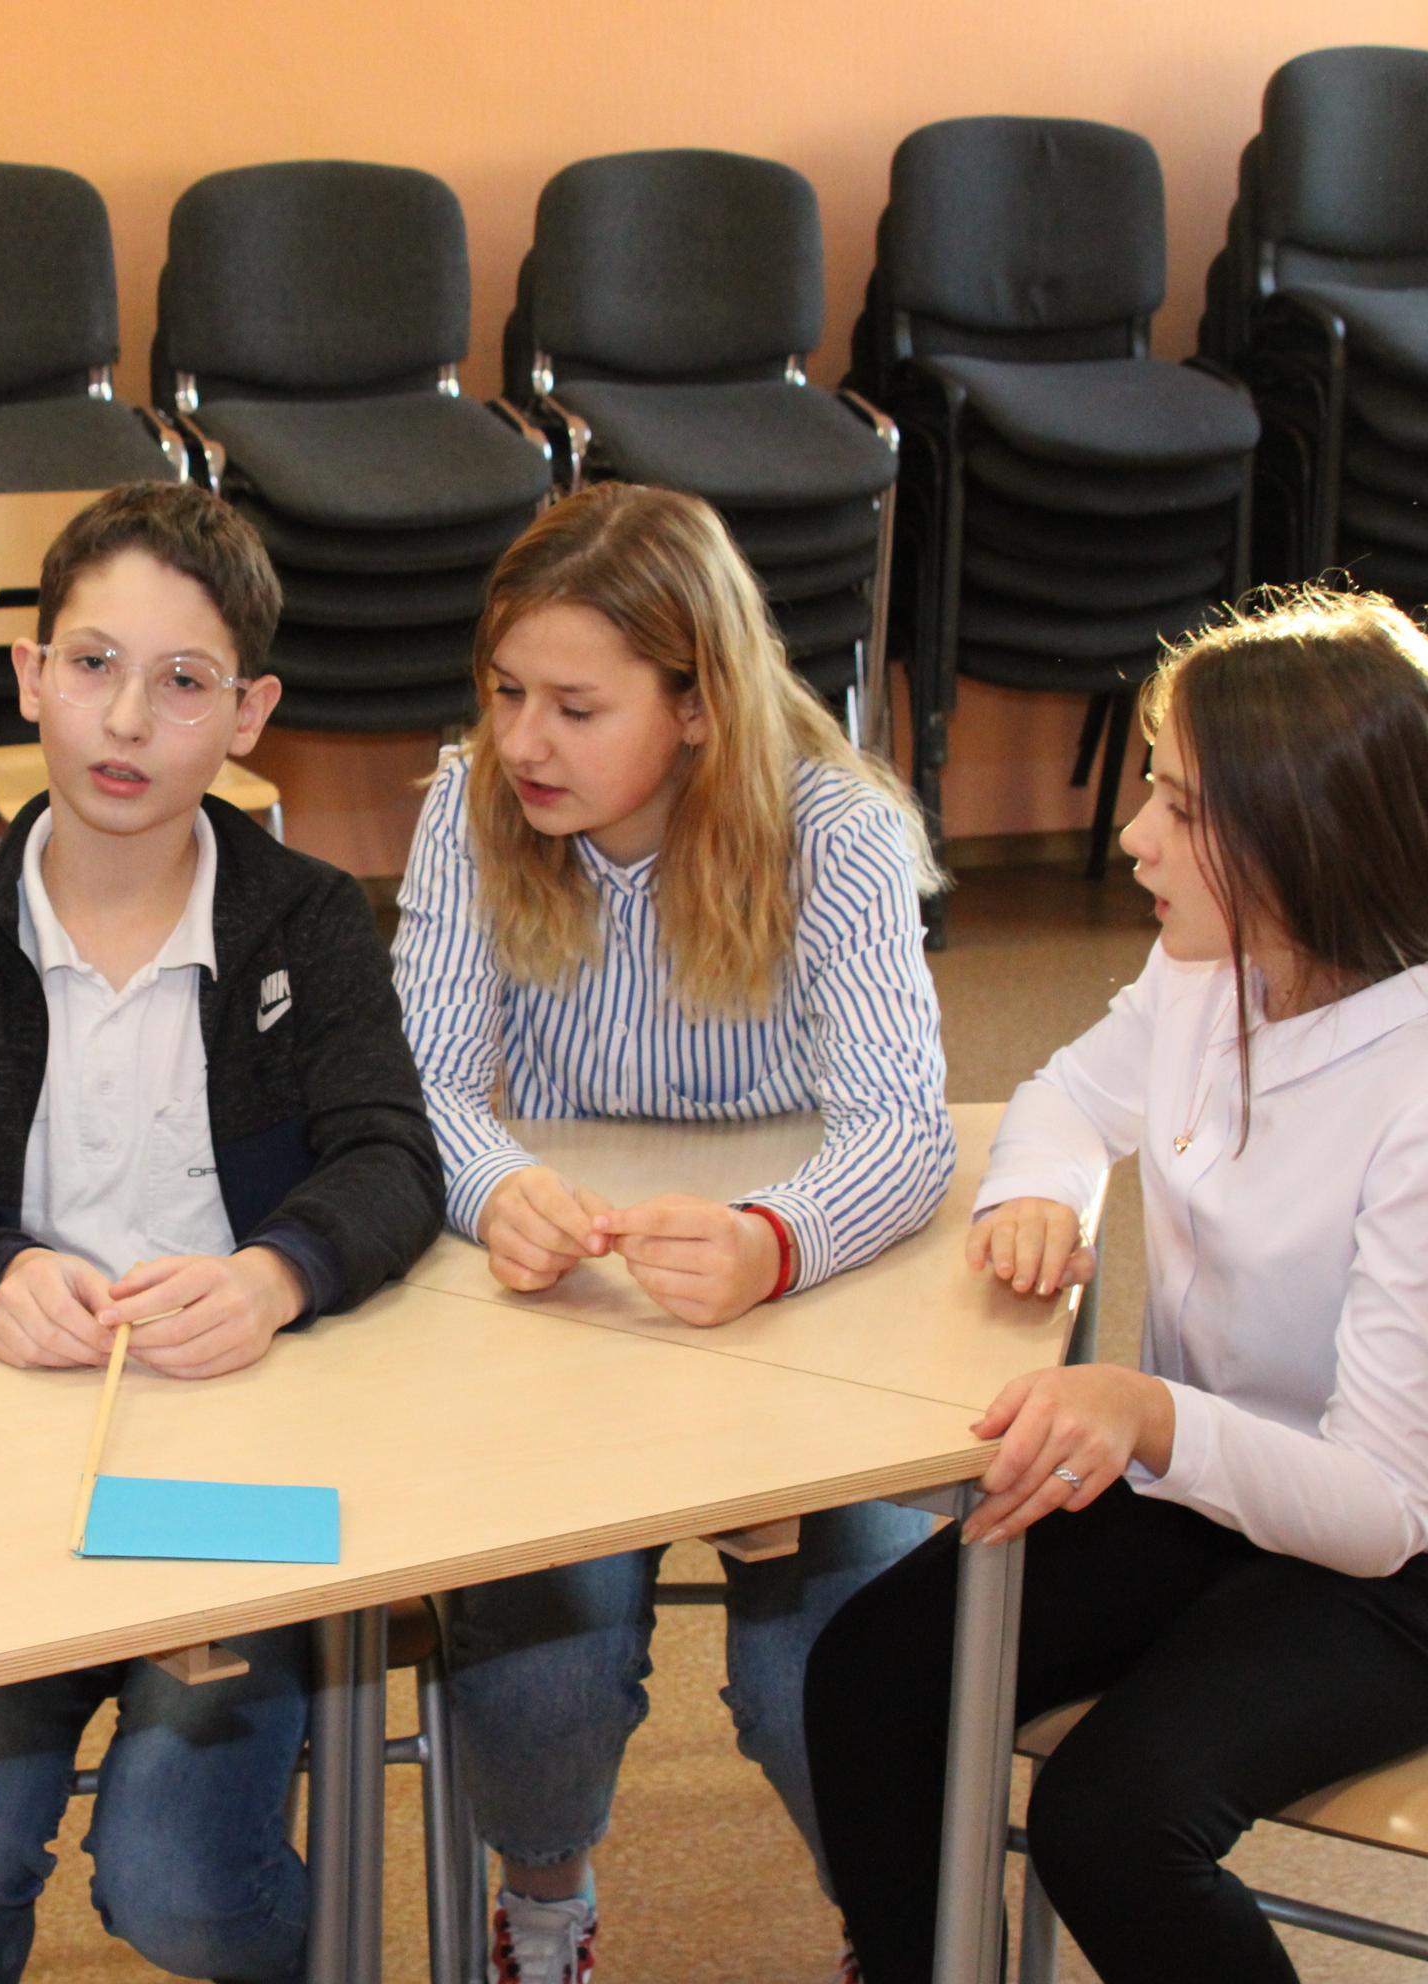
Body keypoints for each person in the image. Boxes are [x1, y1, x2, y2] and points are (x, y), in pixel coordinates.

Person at [804, 589, 1428, 1984]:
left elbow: (1382, 1508)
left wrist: (1149, 1416)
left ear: (1309, 835)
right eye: (1152, 786)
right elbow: (1067, 1095)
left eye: (1182, 806)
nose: (1136, 834)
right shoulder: (1220, 959)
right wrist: (1042, 1191)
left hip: (1413, 1575)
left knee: (1113, 1821)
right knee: (871, 1675)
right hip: (1208, 1499)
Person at [0, 480, 444, 1984]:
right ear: (29, 675)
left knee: (180, 1887)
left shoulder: (308, 921)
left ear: (248, 714)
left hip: (245, 1470)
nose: (126, 721)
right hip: (2, 1477)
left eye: (183, 683)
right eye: (94, 666)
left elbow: (390, 1160)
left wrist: (278, 1273)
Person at [387, 483, 952, 1983]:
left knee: (827, 1672)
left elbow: (906, 1129)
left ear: (697, 706)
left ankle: (899, 1929)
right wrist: (497, 1188)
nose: (524, 742)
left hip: (798, 1327)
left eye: (577, 707)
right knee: (543, 1669)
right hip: (579, 1324)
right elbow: (416, 1091)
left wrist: (772, 1240)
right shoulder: (469, 804)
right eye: (507, 692)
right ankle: (545, 1911)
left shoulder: (835, 833)